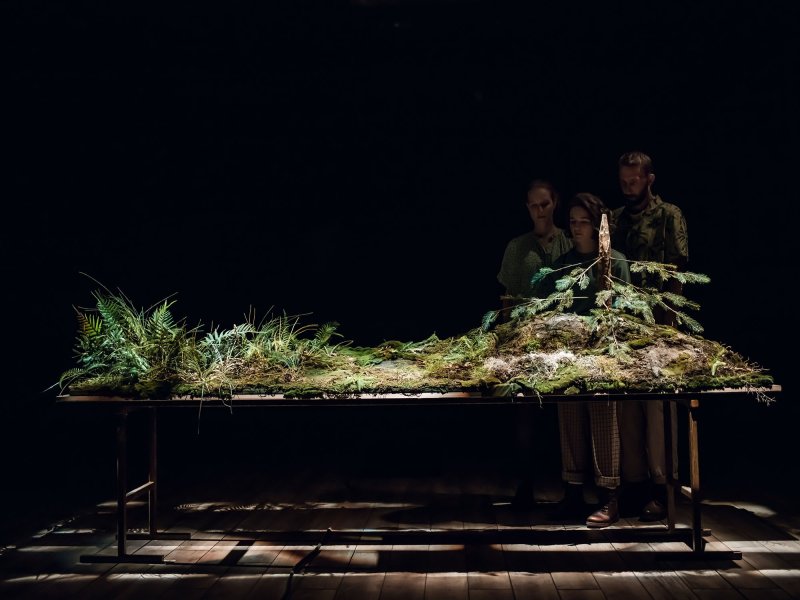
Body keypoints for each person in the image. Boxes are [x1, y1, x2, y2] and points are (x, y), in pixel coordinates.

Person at [543, 193, 631, 527]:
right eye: (573, 222)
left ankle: (610, 495)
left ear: (597, 226)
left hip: (603, 356)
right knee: (569, 417)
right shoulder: (563, 266)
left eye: (583, 222)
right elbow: (552, 309)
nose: (577, 228)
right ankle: (574, 492)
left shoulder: (614, 262)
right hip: (569, 355)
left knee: (602, 415)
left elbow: (625, 311)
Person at [612, 151, 689, 521]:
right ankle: (633, 485)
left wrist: (669, 326)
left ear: (649, 179)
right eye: (623, 181)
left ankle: (662, 488)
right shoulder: (614, 219)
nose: (629, 188)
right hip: (625, 329)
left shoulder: (668, 216)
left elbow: (677, 272)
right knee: (627, 407)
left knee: (657, 410)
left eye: (635, 181)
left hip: (658, 324)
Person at [497, 179, 572, 510]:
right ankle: (525, 487)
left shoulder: (569, 243)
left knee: (567, 418)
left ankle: (572, 488)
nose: (539, 211)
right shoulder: (517, 247)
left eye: (544, 204)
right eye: (533, 206)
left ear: (555, 203)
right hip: (526, 342)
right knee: (526, 416)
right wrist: (504, 337)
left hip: (565, 340)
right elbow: (507, 300)